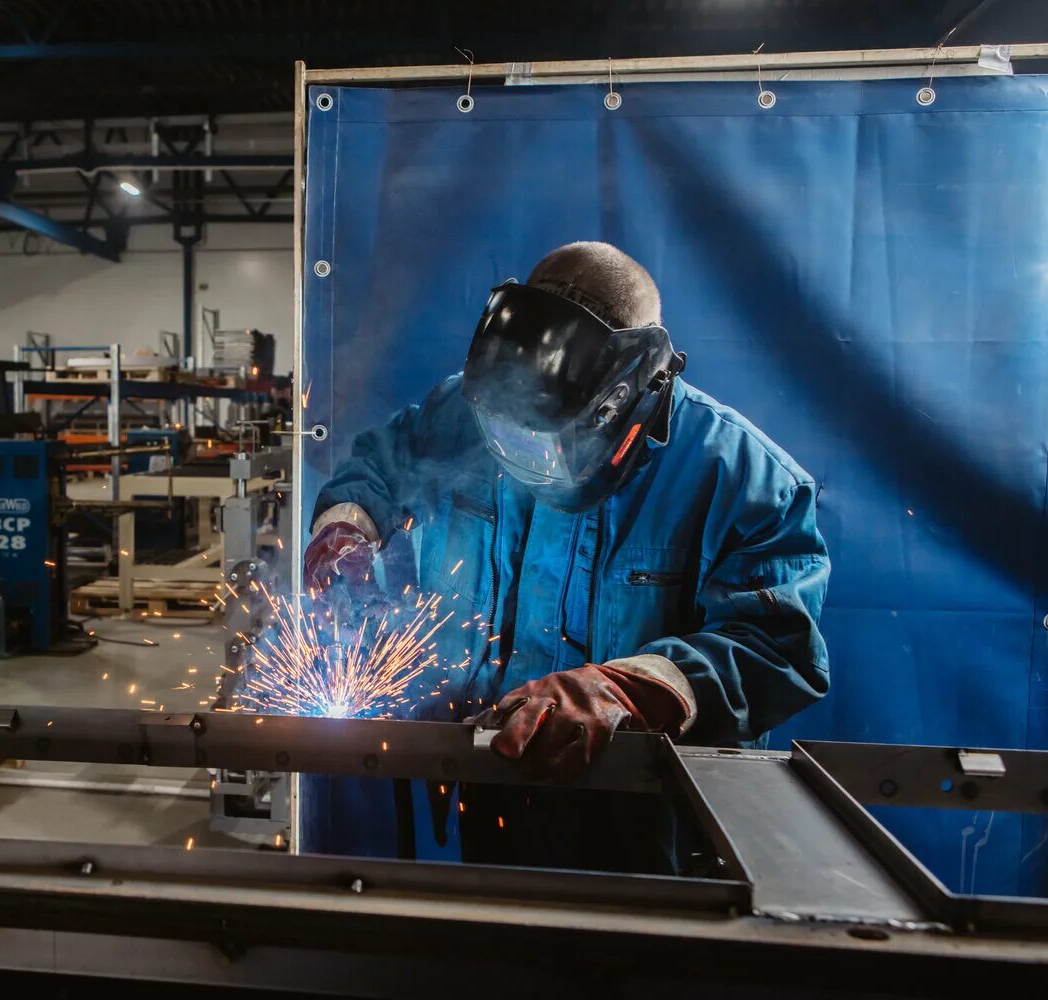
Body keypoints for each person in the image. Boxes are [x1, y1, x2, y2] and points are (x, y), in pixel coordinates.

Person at [304, 241, 829, 868]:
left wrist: (627, 689)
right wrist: (347, 527)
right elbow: (380, 467)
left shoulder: (744, 478)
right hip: (494, 788)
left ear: (625, 393)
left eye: (544, 436)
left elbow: (777, 647)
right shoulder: (468, 411)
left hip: (655, 825)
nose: (516, 452)